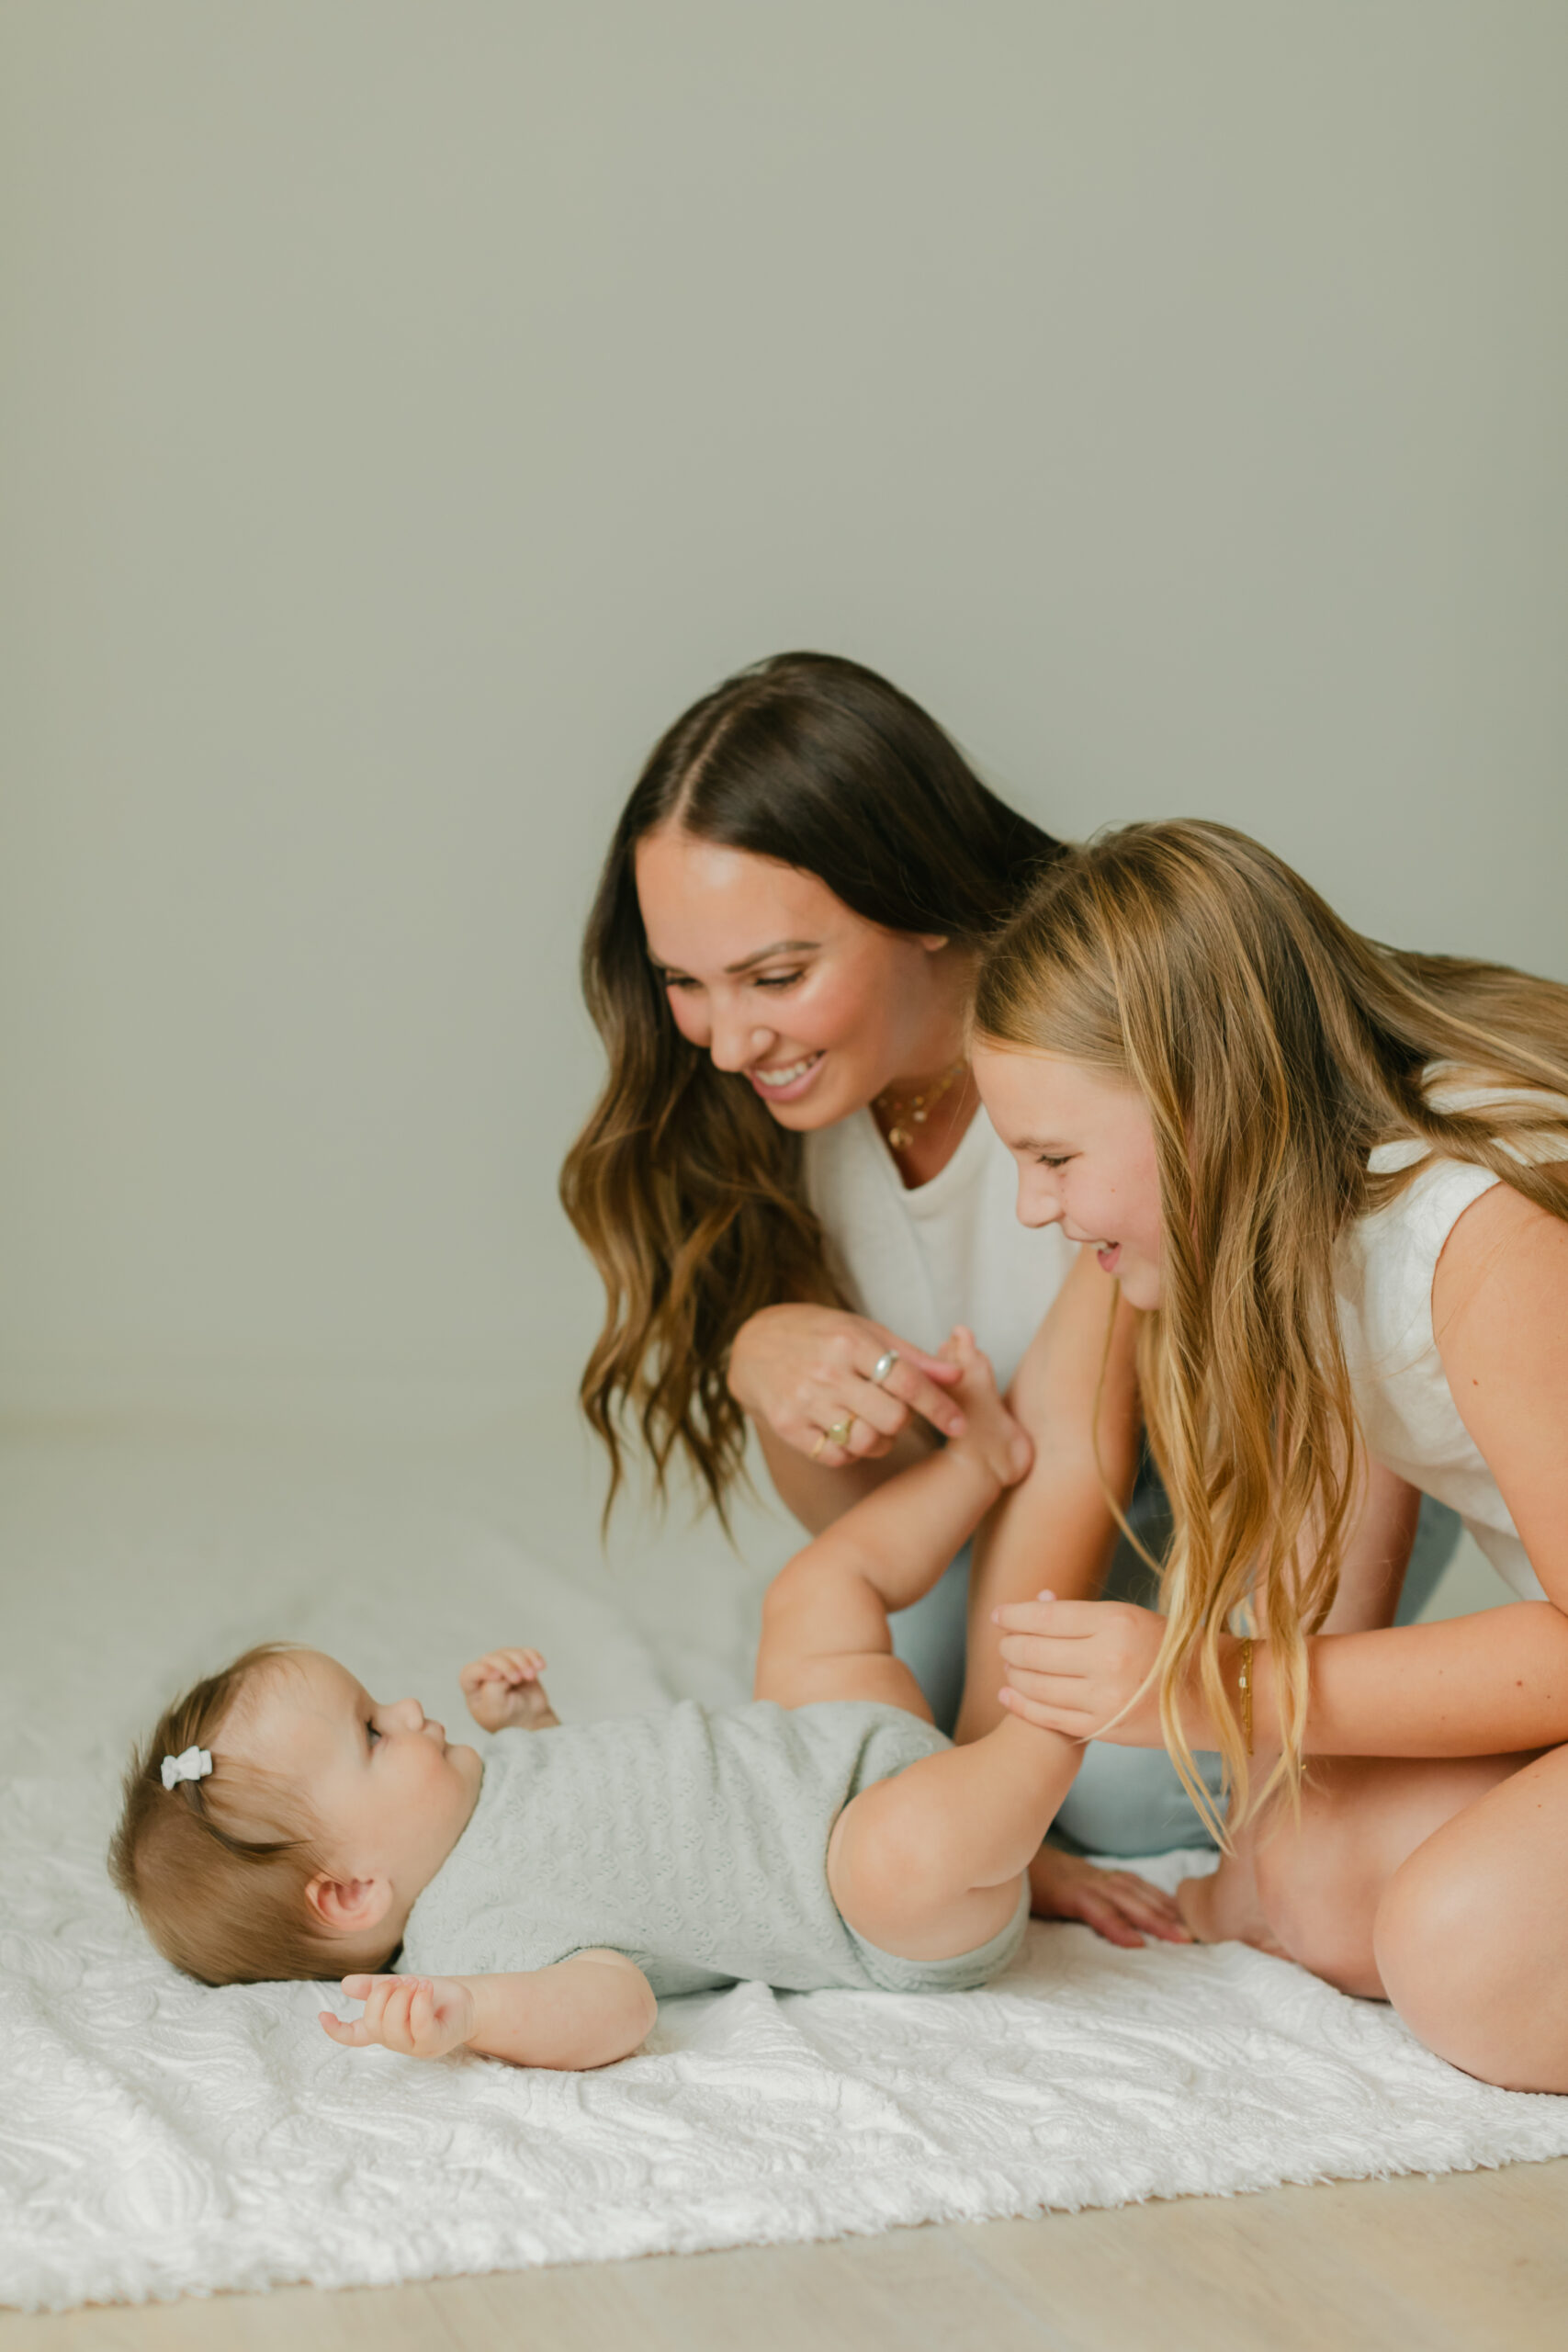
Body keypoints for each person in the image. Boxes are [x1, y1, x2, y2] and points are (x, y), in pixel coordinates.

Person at [561, 651, 1455, 1913]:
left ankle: (1423, 1715)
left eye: (773, 977)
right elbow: (866, 1518)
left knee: (1091, 1788)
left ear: (919, 902)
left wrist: (997, 1809)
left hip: (1261, 1474)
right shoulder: (773, 1106)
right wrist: (760, 1354)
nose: (724, 1038)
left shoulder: (1073, 1061)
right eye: (680, 982)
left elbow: (1074, 1451)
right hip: (1021, 1503)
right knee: (870, 1715)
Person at [961, 818, 1568, 2092]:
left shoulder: (1488, 1224)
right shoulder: (1315, 1194)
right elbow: (1354, 1479)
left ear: (1193, 1103)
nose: (1032, 1207)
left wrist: (1216, 1683)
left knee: (1464, 1958)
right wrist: (1277, 1819)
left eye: (1053, 1158)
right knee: (1304, 1880)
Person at [112, 1334, 1099, 2065]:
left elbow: (605, 1816)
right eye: (373, 1733)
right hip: (860, 1894)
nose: (410, 1708)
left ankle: (978, 1463)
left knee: (809, 1595)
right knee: (912, 1854)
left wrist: (533, 1728)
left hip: (820, 1742)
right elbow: (616, 2005)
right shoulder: (471, 1936)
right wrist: (477, 2014)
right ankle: (1076, 1703)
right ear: (352, 1892)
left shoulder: (475, 1789)